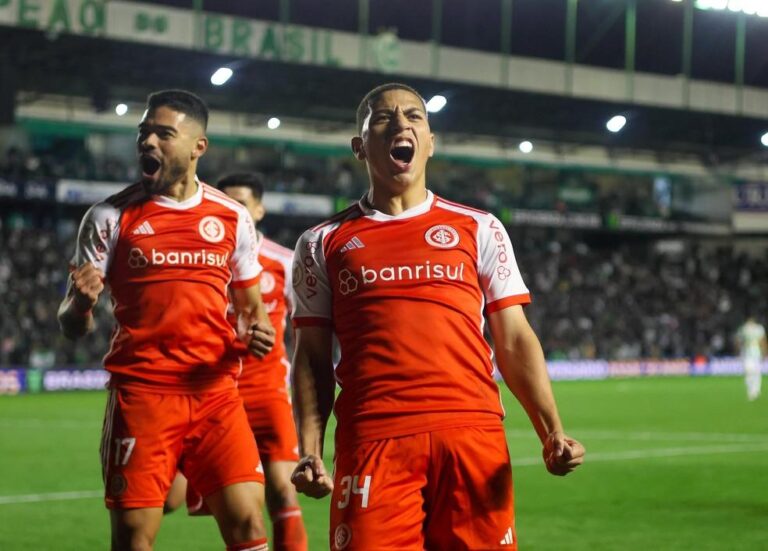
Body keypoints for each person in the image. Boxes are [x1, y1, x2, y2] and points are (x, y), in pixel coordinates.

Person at [289, 82, 585, 551]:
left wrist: (552, 431)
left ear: (430, 141)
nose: (401, 124)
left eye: (414, 116)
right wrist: (308, 448)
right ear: (359, 146)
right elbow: (310, 358)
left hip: (472, 433)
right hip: (374, 438)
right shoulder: (321, 242)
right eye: (383, 118)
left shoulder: (480, 227)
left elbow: (513, 339)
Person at [58, 89, 276, 551]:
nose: (148, 143)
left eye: (163, 134)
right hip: (144, 395)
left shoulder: (232, 218)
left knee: (250, 525)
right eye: (144, 133)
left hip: (215, 394)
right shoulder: (108, 217)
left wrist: (259, 331)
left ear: (199, 146)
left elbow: (253, 311)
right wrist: (78, 304)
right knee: (135, 537)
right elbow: (70, 324)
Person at [165, 173, 308, 551]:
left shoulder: (284, 262)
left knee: (282, 491)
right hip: (208, 393)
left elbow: (308, 329)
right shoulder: (202, 260)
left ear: (258, 210)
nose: (232, 209)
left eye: (241, 202)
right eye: (224, 201)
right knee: (168, 500)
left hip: (267, 394)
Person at [735, 315, 767, 401]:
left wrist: (764, 352)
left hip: (757, 353)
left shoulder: (759, 329)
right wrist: (738, 350)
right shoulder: (743, 329)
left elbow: (763, 340)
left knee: (756, 372)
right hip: (746, 353)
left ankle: (756, 390)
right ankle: (751, 390)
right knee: (748, 371)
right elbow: (738, 339)